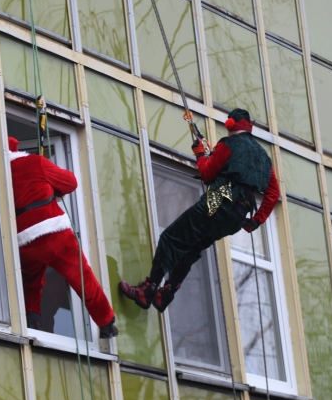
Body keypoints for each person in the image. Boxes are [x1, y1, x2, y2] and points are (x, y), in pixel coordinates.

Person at [119, 108, 280, 313]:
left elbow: (206, 173)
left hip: (219, 200)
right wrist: (256, 220)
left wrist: (200, 154)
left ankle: (149, 289)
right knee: (192, 247)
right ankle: (167, 293)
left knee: (171, 237)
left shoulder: (227, 144)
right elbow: (273, 193)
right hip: (238, 217)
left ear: (230, 125)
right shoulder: (264, 159)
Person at [8, 136, 118, 338]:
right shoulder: (34, 162)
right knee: (80, 275)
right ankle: (106, 321)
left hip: (22, 239)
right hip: (51, 230)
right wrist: (52, 186)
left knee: (31, 281)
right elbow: (70, 182)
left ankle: (33, 317)